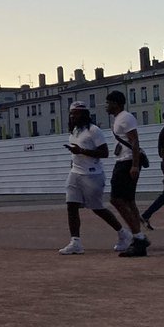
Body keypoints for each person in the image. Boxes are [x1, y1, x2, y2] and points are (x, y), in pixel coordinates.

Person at [59, 101, 132, 255]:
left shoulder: (94, 130)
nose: (73, 116)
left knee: (97, 208)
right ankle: (75, 242)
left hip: (92, 174)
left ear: (84, 114)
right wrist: (75, 158)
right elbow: (76, 152)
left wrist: (81, 151)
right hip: (75, 173)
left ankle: (123, 233)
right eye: (72, 113)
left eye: (77, 113)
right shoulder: (74, 131)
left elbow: (104, 153)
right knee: (71, 206)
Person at [106, 90, 150, 257]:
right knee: (128, 201)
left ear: (116, 103)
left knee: (116, 199)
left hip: (126, 163)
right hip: (125, 161)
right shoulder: (119, 119)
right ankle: (138, 237)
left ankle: (138, 237)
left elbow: (134, 140)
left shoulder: (125, 118)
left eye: (108, 103)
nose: (106, 106)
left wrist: (135, 165)